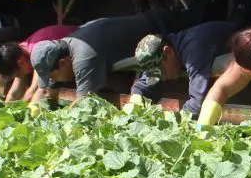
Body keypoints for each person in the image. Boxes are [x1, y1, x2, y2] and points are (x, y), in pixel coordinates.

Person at [31, 7, 191, 106]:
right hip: (148, 25)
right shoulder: (64, 45)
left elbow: (83, 105)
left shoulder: (84, 57)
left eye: (53, 76)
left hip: (163, 27)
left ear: (63, 63)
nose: (53, 80)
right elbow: (45, 90)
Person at [126, 19, 237, 117]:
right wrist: (135, 101)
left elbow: (197, 104)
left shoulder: (194, 52)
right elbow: (142, 86)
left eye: (162, 72)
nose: (162, 79)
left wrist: (171, 123)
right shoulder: (166, 51)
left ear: (167, 52)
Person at [0, 24, 77, 101]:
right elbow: (15, 92)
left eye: (18, 74)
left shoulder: (38, 54)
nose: (19, 77)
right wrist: (6, 109)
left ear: (20, 63)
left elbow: (35, 90)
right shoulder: (19, 52)